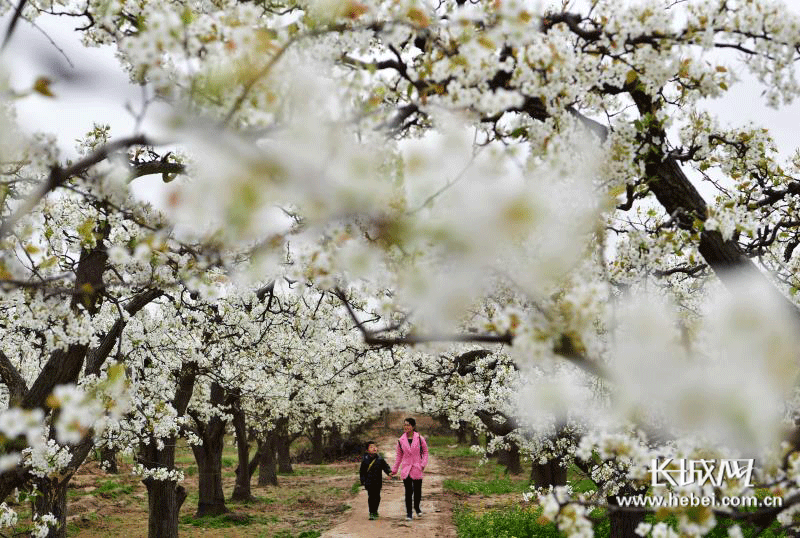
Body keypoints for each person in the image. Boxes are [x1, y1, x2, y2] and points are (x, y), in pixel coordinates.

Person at [390, 417, 428, 521]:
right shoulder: (400, 440)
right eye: (405, 425)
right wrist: (394, 470)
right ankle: (409, 513)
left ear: (413, 426)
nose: (406, 427)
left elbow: (425, 452)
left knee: (417, 491)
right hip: (406, 469)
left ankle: (417, 507)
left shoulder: (420, 438)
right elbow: (399, 456)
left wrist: (423, 464)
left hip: (417, 467)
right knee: (408, 491)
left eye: (408, 425)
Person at [359, 440, 392, 520]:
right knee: (371, 496)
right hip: (369, 481)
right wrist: (362, 480)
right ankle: (371, 512)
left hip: (378, 481)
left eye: (375, 446)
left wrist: (389, 472)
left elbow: (385, 466)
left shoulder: (380, 459)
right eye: (371, 447)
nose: (374, 448)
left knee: (377, 496)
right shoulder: (365, 459)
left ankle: (375, 511)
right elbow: (362, 471)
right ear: (367, 450)